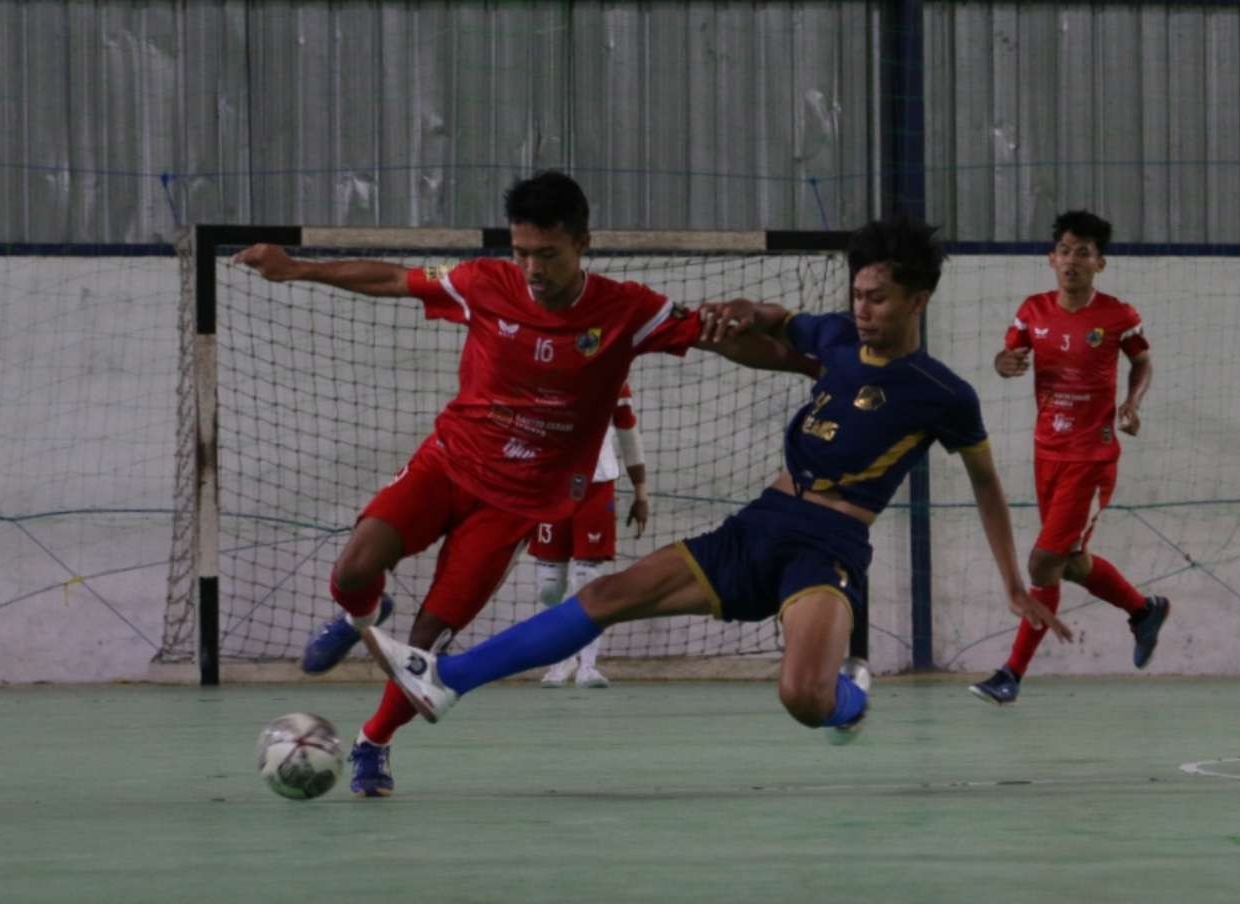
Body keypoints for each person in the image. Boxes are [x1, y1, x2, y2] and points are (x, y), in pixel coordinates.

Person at [361, 213, 1074, 768]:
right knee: (607, 596)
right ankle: (449, 678)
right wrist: (738, 308)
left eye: (878, 298)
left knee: (802, 698)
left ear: (917, 299)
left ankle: (850, 696)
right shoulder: (833, 338)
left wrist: (1012, 583)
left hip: (827, 547)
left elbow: (985, 485)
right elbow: (771, 319)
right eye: (856, 293)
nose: (862, 309)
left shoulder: (943, 393)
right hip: (759, 523)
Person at [232, 170, 810, 798]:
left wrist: (812, 360)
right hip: (447, 464)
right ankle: (362, 614)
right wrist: (297, 270)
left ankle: (374, 742)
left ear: (583, 243)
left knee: (425, 649)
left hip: (514, 506)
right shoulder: (485, 284)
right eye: (522, 252)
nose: (533, 269)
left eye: (548, 255)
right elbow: (394, 279)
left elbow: (717, 339)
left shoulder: (627, 310)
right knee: (351, 568)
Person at [969, 210, 1168, 706]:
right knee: (1073, 564)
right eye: (1065, 251)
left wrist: (1131, 404)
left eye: (1084, 252)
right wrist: (1004, 364)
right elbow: (1005, 356)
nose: (1072, 260)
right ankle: (1143, 611)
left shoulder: (1117, 316)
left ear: (1100, 263)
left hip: (1091, 458)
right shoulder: (1033, 311)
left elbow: (1142, 359)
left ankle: (1011, 674)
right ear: (1050, 259)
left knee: (1043, 562)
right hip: (1046, 453)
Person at [533, 382, 649, 689]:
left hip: (596, 486)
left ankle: (587, 665)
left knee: (587, 579)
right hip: (550, 485)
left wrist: (641, 491)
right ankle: (560, 660)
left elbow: (628, 432)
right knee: (549, 587)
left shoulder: (615, 378)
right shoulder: (540, 372)